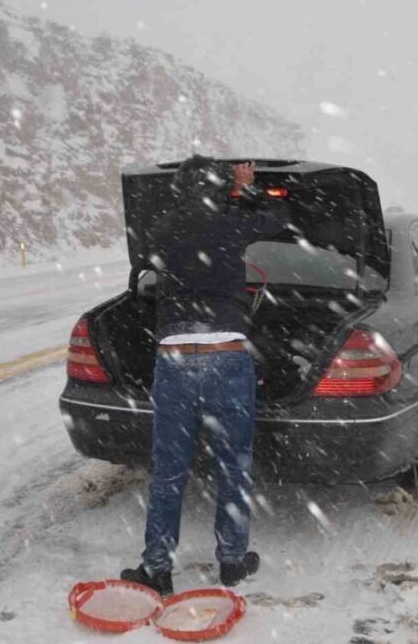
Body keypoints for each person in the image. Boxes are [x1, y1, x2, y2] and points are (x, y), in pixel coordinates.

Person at [120, 155, 287, 596]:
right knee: (234, 465)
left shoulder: (161, 229)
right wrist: (245, 191)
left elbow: (147, 265)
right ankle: (231, 562)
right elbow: (278, 220)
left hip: (174, 356)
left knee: (169, 472)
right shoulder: (234, 222)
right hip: (228, 354)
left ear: (180, 190)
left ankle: (157, 568)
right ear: (219, 188)